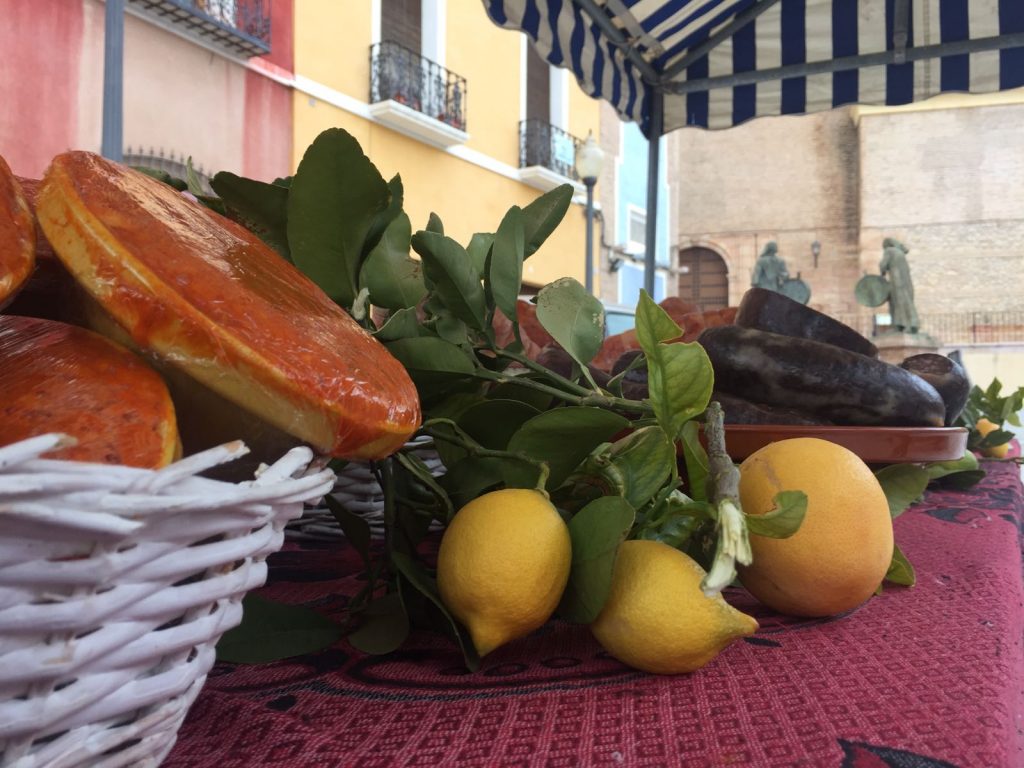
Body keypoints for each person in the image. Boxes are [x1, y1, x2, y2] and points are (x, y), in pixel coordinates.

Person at [879, 237, 920, 333]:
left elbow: (883, 265)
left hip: (896, 281)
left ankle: (901, 325)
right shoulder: (901, 253)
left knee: (897, 302)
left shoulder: (889, 251)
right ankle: (912, 323)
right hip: (906, 282)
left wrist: (882, 274)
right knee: (907, 301)